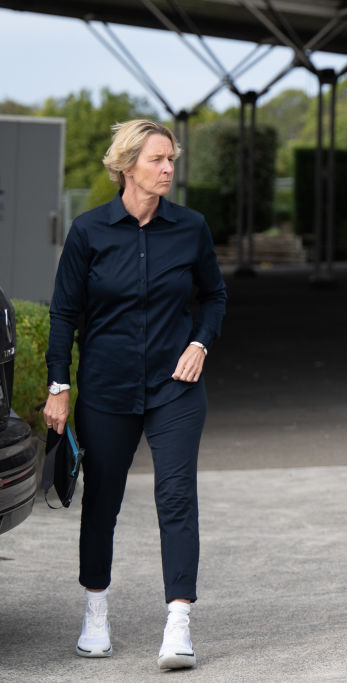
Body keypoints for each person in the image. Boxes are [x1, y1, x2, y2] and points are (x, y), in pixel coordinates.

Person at [43, 120, 227, 668]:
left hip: (176, 387)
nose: (168, 168)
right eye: (157, 160)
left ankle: (178, 623)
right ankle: (96, 608)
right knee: (102, 501)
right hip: (106, 387)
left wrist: (201, 342)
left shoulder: (190, 228)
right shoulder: (89, 231)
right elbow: (63, 313)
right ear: (127, 167)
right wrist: (59, 385)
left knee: (176, 499)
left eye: (171, 158)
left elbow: (214, 296)